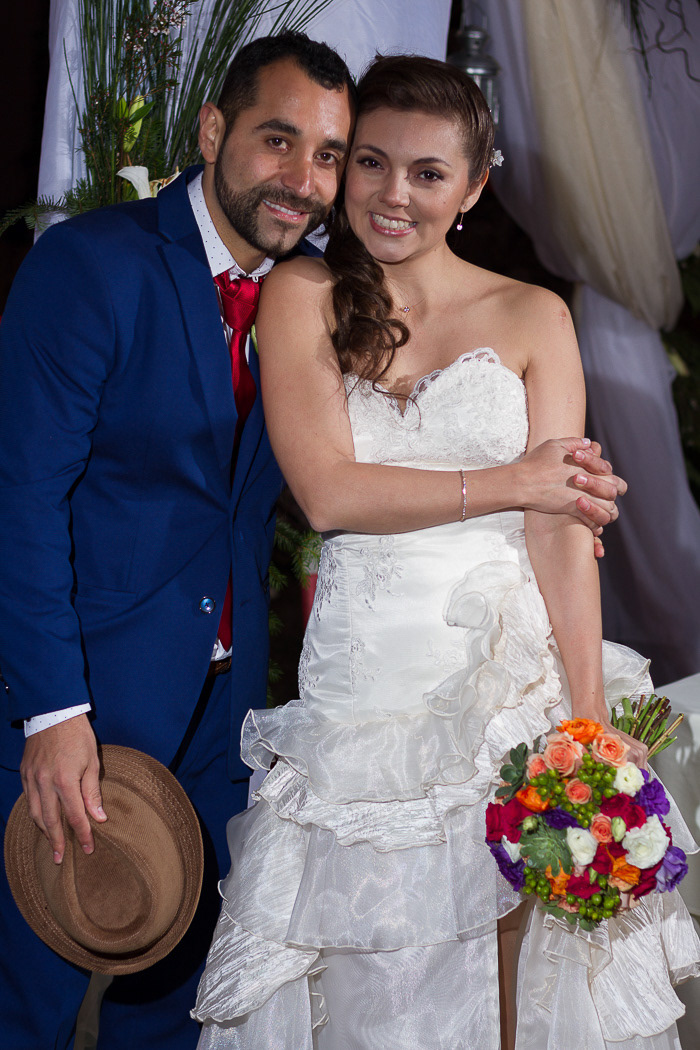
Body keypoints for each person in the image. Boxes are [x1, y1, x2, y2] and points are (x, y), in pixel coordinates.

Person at [192, 56, 700, 1049]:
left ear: (472, 188)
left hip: (505, 679)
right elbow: (329, 493)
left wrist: (588, 727)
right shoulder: (302, 293)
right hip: (361, 694)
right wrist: (519, 480)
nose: (394, 194)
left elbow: (562, 529)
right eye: (371, 162)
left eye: (428, 173)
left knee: (514, 963)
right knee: (365, 966)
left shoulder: (534, 315)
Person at [0, 31, 355, 1050]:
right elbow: (21, 499)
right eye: (278, 140)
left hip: (224, 719)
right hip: (82, 699)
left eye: (328, 155)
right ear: (211, 132)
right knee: (27, 993)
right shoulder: (90, 264)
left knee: (174, 1000)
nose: (303, 179)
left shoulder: (313, 296)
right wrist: (52, 714)